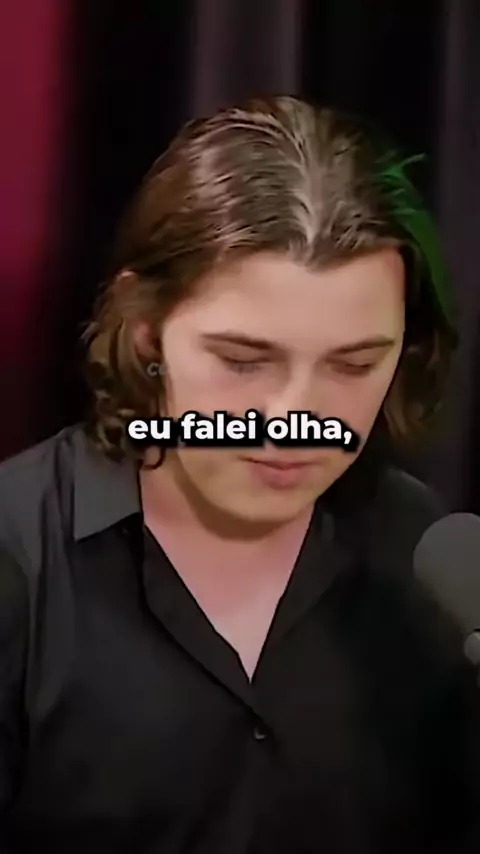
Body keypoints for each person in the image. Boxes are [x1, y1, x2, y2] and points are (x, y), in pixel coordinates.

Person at [0, 95, 478, 854]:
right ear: (147, 333)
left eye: (353, 365)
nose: (294, 417)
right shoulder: (18, 560)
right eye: (244, 361)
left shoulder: (426, 558)